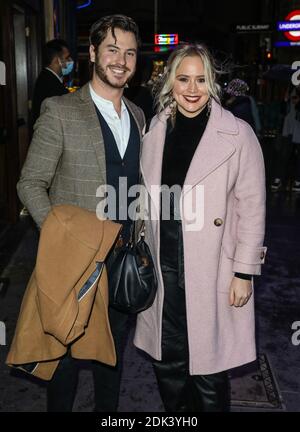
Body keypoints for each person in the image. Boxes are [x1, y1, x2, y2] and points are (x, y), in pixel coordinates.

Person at [17, 14, 145, 412]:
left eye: (129, 52)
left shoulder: (139, 116)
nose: (120, 60)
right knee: (66, 362)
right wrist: (61, 239)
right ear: (92, 54)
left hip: (122, 260)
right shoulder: (60, 110)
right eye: (111, 49)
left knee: (112, 355)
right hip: (75, 263)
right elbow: (30, 182)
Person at [134, 44, 267, 412]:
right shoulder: (154, 130)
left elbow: (252, 207)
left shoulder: (237, 135)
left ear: (213, 84)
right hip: (163, 265)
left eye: (201, 80)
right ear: (169, 82)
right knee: (169, 364)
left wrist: (244, 272)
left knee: (208, 369)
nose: (192, 89)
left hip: (212, 268)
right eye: (183, 79)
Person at [31, 39, 73, 129]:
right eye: (67, 58)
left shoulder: (47, 78)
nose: (71, 61)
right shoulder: (50, 84)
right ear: (57, 60)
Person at [271, 86, 300, 192]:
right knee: (283, 155)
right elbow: (282, 111)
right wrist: (285, 100)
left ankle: (298, 181)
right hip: (287, 129)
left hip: (298, 129)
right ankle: (278, 179)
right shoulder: (290, 89)